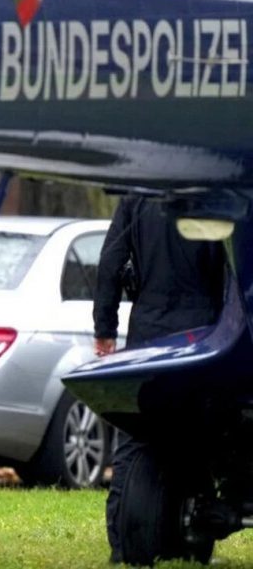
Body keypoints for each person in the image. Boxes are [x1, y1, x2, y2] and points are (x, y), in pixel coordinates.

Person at [94, 195, 226, 563]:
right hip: (205, 325)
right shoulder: (217, 193)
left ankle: (123, 541)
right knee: (196, 432)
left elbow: (111, 261)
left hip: (149, 328)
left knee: (138, 430)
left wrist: (105, 327)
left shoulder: (138, 194)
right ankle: (189, 534)